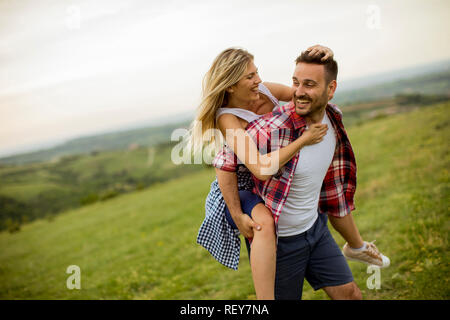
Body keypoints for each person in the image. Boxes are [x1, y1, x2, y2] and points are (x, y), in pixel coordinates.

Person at [195, 46, 389, 300]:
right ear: (231, 85)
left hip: (310, 220)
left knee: (351, 293)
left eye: (257, 72)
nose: (258, 80)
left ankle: (357, 246)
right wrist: (303, 141)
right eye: (250, 77)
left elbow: (305, 95)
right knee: (263, 224)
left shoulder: (265, 90)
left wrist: (323, 51)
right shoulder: (228, 118)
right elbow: (237, 167)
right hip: (250, 188)